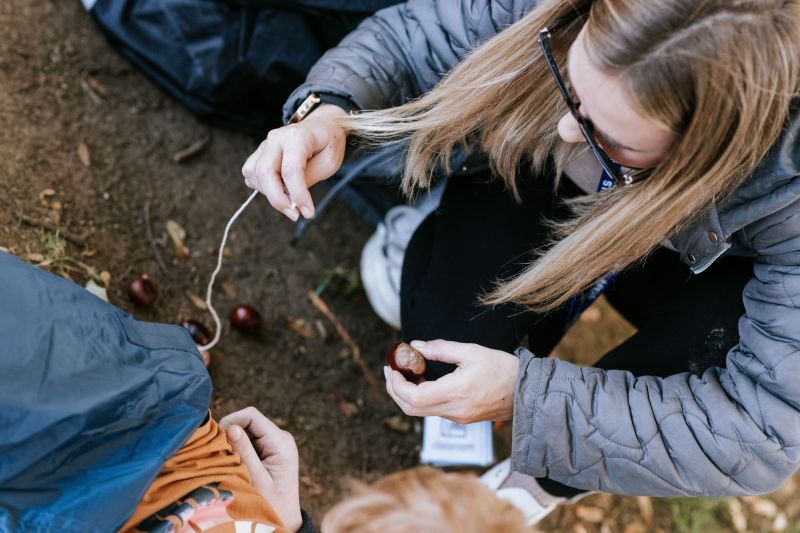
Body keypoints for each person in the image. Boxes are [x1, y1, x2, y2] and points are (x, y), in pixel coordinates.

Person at [241, 0, 800, 518]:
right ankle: (452, 243)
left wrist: (532, 401)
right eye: (572, 89)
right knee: (447, 343)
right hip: (550, 182)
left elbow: (757, 426)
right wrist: (329, 110)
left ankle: (531, 490)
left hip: (715, 269)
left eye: (612, 135)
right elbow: (413, 36)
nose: (567, 125)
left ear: (711, 151)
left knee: (674, 381)